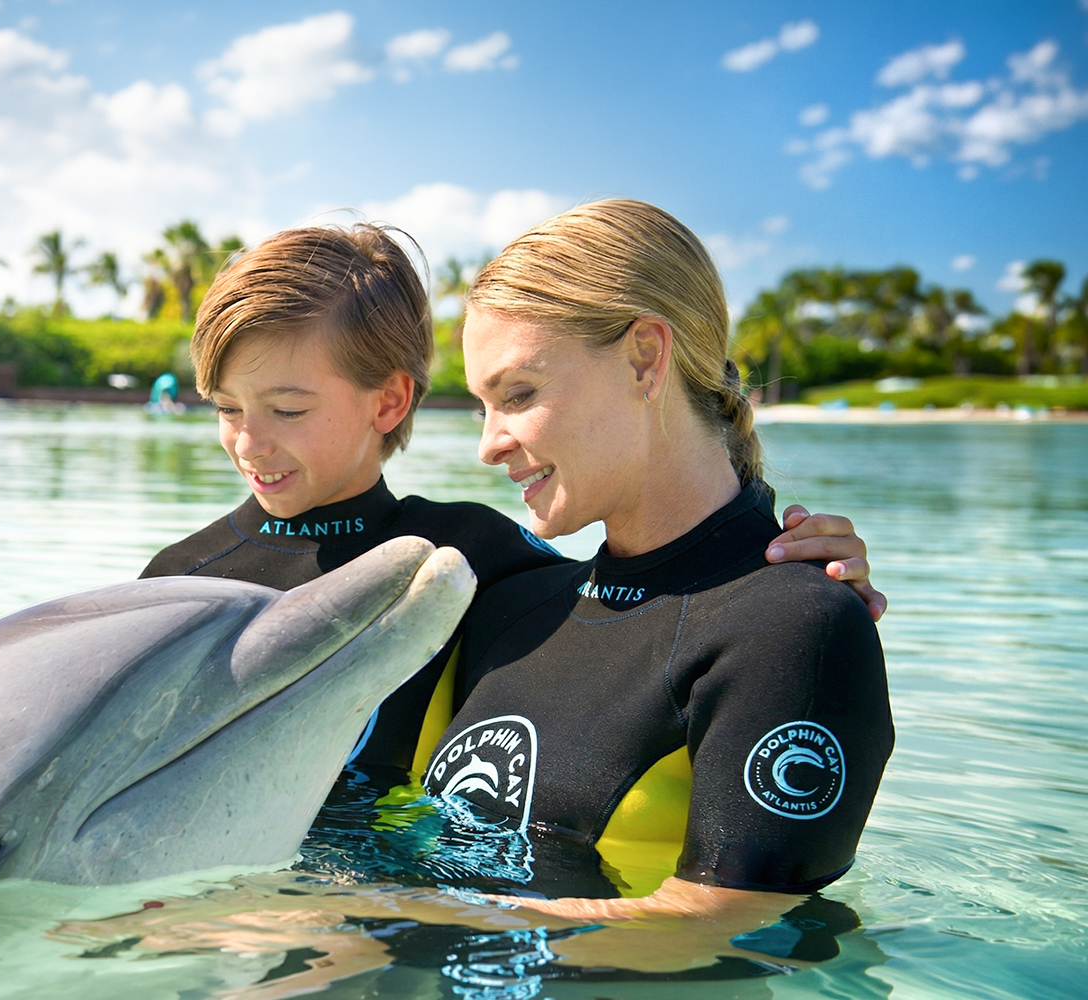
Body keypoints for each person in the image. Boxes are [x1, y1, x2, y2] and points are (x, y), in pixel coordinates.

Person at [141, 223, 883, 778]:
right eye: (226, 409)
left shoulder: (471, 564)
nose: (248, 440)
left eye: (289, 409)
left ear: (391, 401)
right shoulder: (181, 576)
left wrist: (791, 571)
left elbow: (665, 599)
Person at [421, 199, 893, 925]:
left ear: (645, 355)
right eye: (484, 405)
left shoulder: (793, 627)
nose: (489, 444)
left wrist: (388, 930)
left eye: (518, 394)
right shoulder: (511, 604)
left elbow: (726, 923)